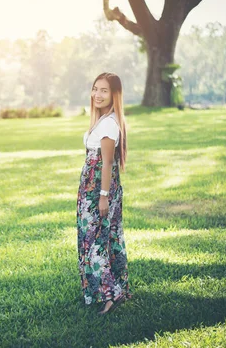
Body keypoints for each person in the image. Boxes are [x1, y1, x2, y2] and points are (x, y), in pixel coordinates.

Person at [76, 72, 133, 316]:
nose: (97, 94)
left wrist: (103, 196)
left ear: (114, 95)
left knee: (94, 242)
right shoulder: (104, 120)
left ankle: (110, 294)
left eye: (104, 91)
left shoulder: (109, 124)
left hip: (97, 191)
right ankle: (114, 288)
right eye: (95, 89)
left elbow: (107, 163)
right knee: (105, 239)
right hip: (91, 189)